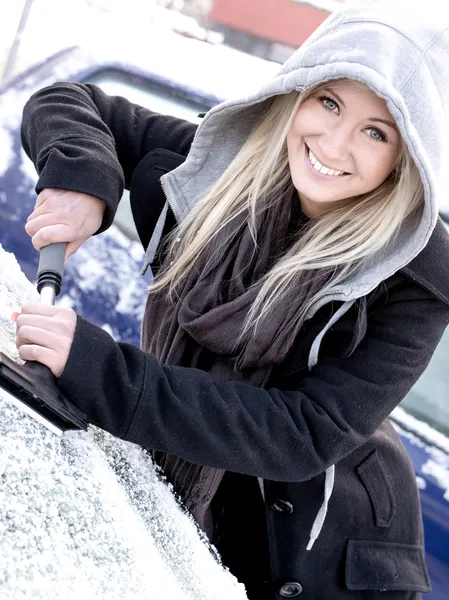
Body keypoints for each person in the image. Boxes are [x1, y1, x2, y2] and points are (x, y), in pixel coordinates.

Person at [15, 2, 449, 598]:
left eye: (376, 132)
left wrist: (104, 372)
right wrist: (87, 179)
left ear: (408, 158)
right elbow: (69, 100)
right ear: (298, 90)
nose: (334, 143)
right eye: (329, 102)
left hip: (322, 558)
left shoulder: (416, 280)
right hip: (173, 509)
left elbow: (303, 434)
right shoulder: (217, 171)